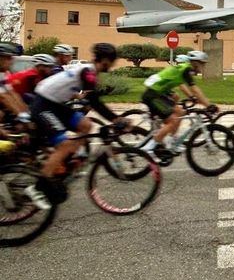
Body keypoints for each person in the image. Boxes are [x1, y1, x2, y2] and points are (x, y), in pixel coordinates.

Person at [26, 43, 123, 209]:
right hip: (43, 105)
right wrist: (115, 119)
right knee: (64, 145)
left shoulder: (89, 71)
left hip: (54, 104)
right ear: (106, 60)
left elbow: (88, 97)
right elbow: (94, 101)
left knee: (86, 125)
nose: (113, 65)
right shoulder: (88, 72)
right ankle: (36, 188)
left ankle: (69, 161)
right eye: (113, 61)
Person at [141, 51, 218, 159]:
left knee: (180, 112)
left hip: (158, 94)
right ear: (196, 63)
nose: (203, 66)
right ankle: (148, 148)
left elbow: (191, 90)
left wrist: (200, 101)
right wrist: (209, 106)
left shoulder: (184, 68)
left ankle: (171, 142)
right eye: (202, 64)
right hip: (153, 95)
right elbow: (195, 90)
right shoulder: (186, 69)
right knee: (173, 120)